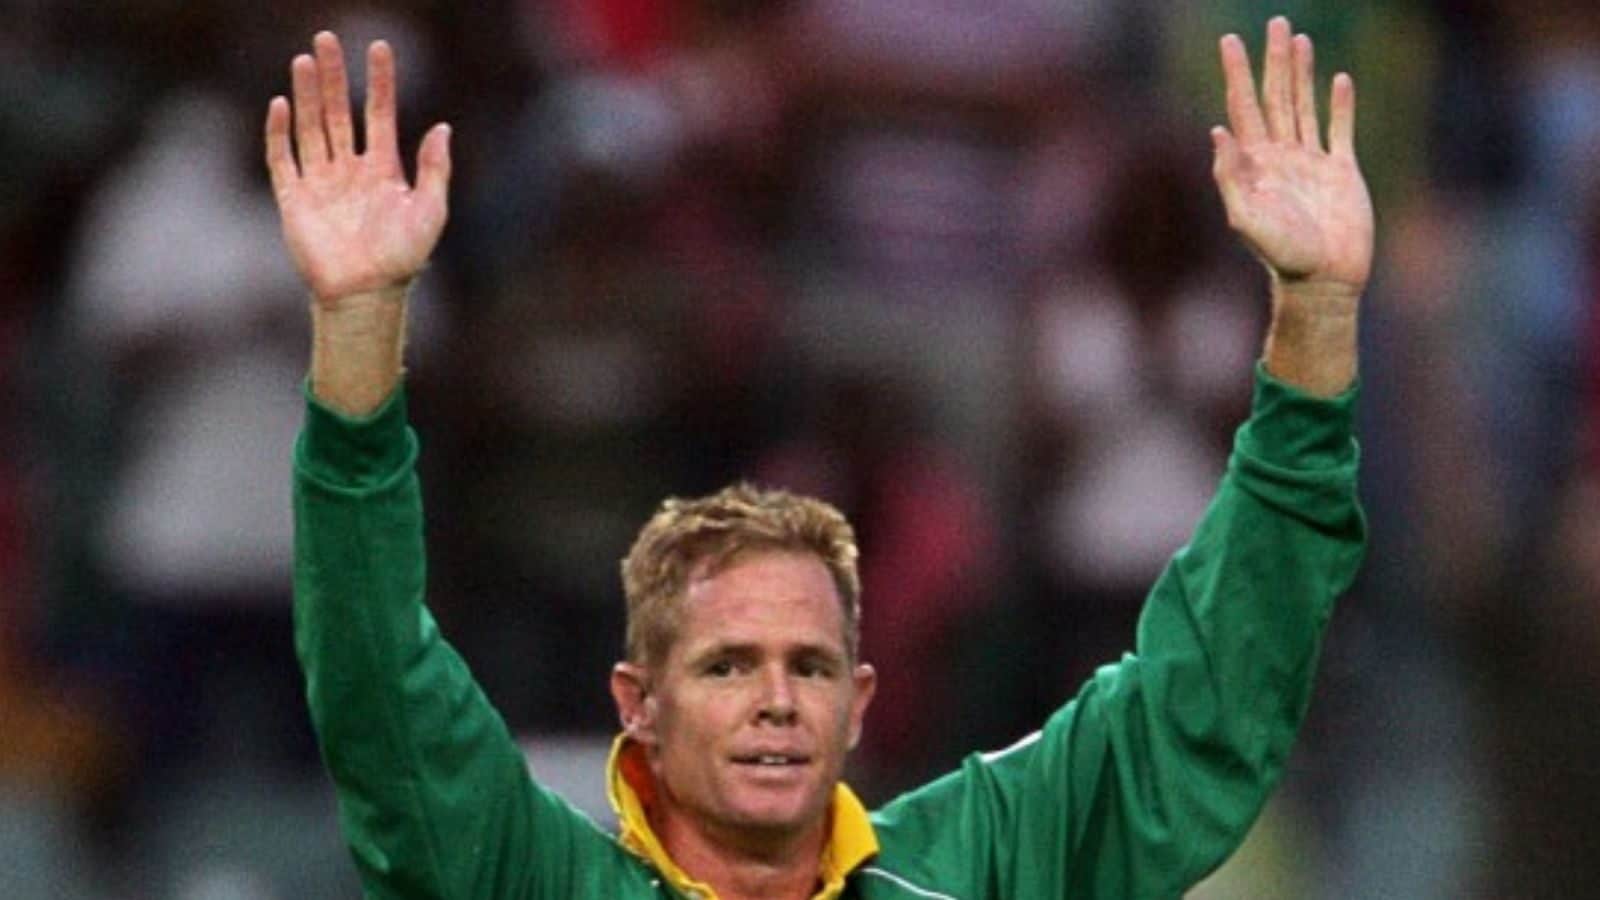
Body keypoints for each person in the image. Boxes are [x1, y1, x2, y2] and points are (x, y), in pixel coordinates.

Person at [270, 15, 1371, 899]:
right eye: (725, 665)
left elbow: (1201, 706)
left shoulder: (974, 867)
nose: (776, 702)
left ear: (858, 703)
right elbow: (379, 689)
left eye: (810, 666)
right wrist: (359, 325)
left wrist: (1315, 308)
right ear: (638, 704)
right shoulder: (540, 881)